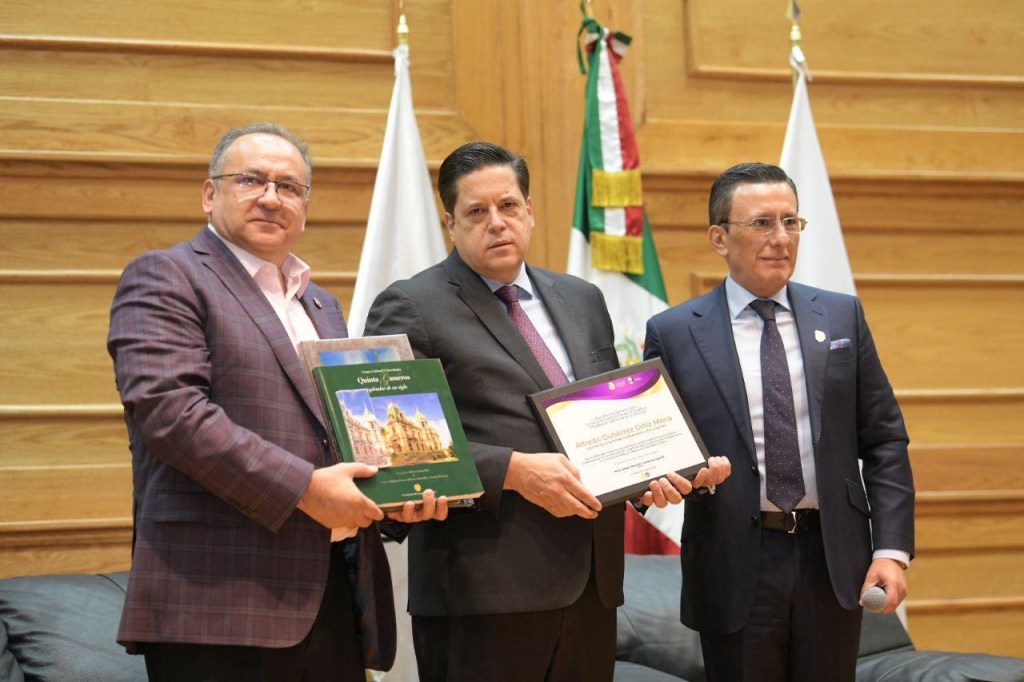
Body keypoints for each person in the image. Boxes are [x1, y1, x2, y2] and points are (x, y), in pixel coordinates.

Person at [364, 141, 730, 681]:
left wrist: (657, 473)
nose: (497, 222)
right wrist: (512, 470)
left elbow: (604, 419)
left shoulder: (581, 298)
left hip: (591, 588)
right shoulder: (411, 305)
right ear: (450, 223)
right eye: (476, 211)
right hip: (484, 593)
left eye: (509, 205)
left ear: (530, 210)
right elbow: (396, 448)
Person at [107, 122, 446, 682]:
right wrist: (307, 489)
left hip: (332, 595)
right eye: (251, 180)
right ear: (210, 194)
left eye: (289, 187)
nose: (271, 197)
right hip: (218, 601)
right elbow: (171, 414)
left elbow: (342, 437)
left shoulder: (321, 304)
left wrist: (390, 495)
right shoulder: (168, 276)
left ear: (305, 208)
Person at [644, 162, 915, 682]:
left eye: (791, 222)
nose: (781, 238)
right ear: (719, 238)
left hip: (831, 558)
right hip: (733, 562)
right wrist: (678, 477)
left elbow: (884, 441)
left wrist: (891, 552)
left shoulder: (842, 316)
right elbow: (657, 449)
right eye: (762, 223)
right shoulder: (674, 332)